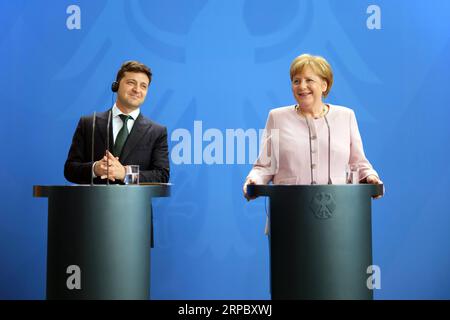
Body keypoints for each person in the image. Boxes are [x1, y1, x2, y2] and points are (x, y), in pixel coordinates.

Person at [243, 54, 382, 201]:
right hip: (287, 210)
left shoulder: (346, 116)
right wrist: (253, 180)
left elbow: (358, 163)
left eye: (309, 80)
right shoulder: (277, 117)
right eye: (296, 81)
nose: (302, 86)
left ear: (324, 85)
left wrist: (371, 177)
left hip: (338, 213)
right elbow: (265, 166)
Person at [64, 60, 170, 184]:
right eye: (131, 83)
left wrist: (126, 174)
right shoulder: (88, 123)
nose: (137, 90)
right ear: (116, 86)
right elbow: (70, 170)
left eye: (143, 86)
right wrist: (95, 169)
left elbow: (162, 175)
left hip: (135, 203)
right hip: (93, 203)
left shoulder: (157, 132)